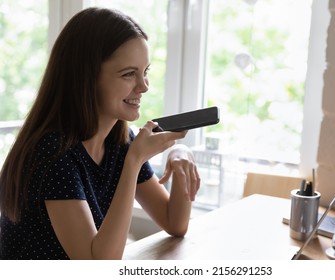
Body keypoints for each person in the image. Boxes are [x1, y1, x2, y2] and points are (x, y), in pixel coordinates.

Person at [0, 7, 200, 260]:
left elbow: (175, 222)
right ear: (87, 77)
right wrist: (134, 162)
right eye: (129, 74)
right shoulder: (52, 153)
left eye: (145, 71)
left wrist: (181, 154)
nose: (144, 86)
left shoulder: (120, 142)